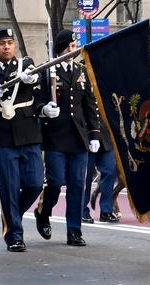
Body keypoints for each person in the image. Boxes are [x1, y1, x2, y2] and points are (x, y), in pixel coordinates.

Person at [0, 27, 46, 252]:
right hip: (2, 135)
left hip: (28, 131)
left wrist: (31, 79)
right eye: (1, 43)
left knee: (36, 182)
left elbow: (37, 80)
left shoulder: (25, 65)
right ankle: (14, 235)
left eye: (10, 42)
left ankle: (13, 215)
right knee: (8, 187)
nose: (7, 46)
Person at [34, 29, 100, 248]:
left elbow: (90, 105)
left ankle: (74, 231)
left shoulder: (81, 71)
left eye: (75, 47)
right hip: (55, 137)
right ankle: (43, 212)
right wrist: (44, 109)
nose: (74, 50)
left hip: (78, 137)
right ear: (61, 48)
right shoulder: (46, 71)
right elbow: (37, 101)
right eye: (70, 47)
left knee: (77, 185)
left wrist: (94, 134)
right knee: (54, 182)